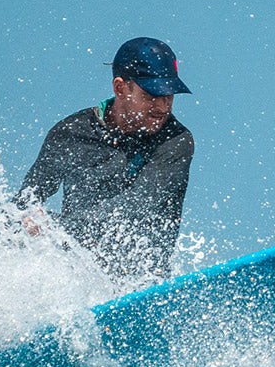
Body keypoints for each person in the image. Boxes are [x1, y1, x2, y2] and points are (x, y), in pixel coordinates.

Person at [13, 37, 194, 284]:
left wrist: (53, 227)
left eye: (169, 95)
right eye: (152, 94)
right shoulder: (71, 134)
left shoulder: (175, 140)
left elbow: (138, 208)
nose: (163, 107)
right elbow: (24, 203)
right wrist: (22, 224)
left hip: (143, 287)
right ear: (120, 88)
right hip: (78, 284)